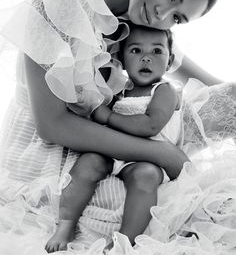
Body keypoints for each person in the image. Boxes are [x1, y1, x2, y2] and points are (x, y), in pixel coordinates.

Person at [1, 0, 234, 255]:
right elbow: (51, 126)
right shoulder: (59, 0)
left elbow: (183, 67)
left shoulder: (142, 14)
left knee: (232, 102)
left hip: (116, 132)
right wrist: (162, 153)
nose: (163, 14)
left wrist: (228, 95)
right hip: (56, 152)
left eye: (177, 17)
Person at [46, 24, 184, 252]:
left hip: (148, 158)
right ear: (122, 58)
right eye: (136, 51)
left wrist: (108, 116)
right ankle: (65, 225)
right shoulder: (119, 89)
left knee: (146, 176)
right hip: (113, 152)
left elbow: (150, 125)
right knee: (88, 162)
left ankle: (125, 240)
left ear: (169, 61)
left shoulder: (164, 90)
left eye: (157, 51)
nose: (146, 58)